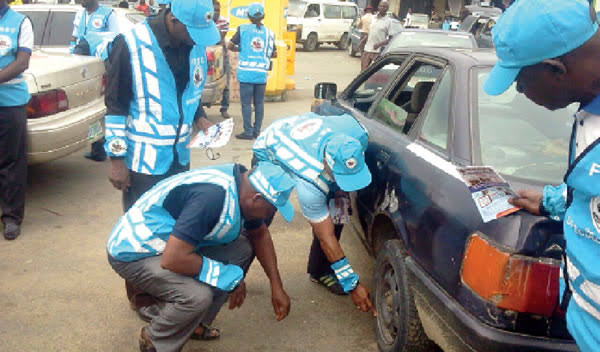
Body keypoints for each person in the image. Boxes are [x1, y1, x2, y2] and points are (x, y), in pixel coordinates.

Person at [483, 0, 600, 350]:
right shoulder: (587, 109)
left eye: (520, 81)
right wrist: (554, 200)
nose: (519, 92)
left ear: (555, 69)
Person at [107, 162, 295, 352]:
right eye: (271, 210)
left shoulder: (243, 187)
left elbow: (260, 234)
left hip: (172, 244)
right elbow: (173, 259)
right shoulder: (211, 198)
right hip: (136, 252)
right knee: (196, 296)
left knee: (241, 250)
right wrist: (229, 277)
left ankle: (194, 324)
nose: (271, 214)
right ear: (257, 198)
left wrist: (276, 285)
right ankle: (155, 340)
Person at [252, 112, 376, 315]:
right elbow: (325, 237)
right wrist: (352, 284)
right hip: (271, 149)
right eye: (339, 177)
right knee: (258, 221)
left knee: (339, 211)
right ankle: (234, 276)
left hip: (304, 133)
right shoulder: (309, 184)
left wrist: (340, 189)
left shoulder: (358, 134)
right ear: (327, 166)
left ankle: (319, 270)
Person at [104, 0, 219, 214]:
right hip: (144, 163)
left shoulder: (194, 46)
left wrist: (199, 117)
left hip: (180, 158)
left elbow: (187, 92)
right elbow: (115, 106)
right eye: (192, 31)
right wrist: (117, 160)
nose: (196, 39)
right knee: (143, 225)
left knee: (174, 221)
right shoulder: (131, 44)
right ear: (173, 20)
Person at [71, 0, 120, 162]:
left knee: (104, 107)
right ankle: (97, 147)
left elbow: (115, 40)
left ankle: (108, 146)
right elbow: (75, 38)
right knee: (92, 109)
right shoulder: (80, 14)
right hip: (83, 67)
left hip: (102, 68)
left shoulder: (108, 14)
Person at [0, 0, 33, 240]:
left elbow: (22, 61)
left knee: (11, 162)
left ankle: (11, 217)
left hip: (10, 102)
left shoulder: (20, 22)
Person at [228, 2, 276, 140]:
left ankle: (248, 132)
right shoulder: (269, 33)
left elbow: (231, 45)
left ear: (248, 16)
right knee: (259, 103)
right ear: (263, 16)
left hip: (246, 73)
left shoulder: (242, 29)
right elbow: (274, 54)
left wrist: (241, 49)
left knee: (246, 104)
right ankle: (257, 131)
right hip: (261, 74)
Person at [361, 1, 399, 71]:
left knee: (374, 72)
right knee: (363, 72)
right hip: (367, 49)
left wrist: (379, 44)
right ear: (378, 7)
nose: (382, 8)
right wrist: (361, 42)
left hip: (378, 52)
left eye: (385, 7)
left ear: (387, 8)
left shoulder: (389, 21)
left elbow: (391, 39)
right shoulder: (373, 18)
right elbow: (370, 33)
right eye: (381, 6)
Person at [213, 0, 231, 119]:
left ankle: (224, 108)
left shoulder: (223, 21)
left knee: (226, 83)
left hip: (220, 55)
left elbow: (218, 39)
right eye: (213, 10)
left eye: (218, 10)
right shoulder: (204, 20)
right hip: (204, 54)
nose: (216, 13)